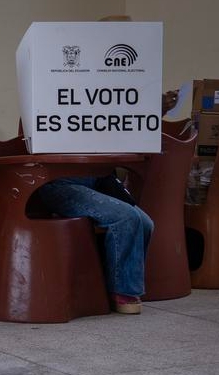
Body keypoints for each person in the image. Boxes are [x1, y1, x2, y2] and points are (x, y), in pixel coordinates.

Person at [34, 91, 178, 315]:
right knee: (126, 217)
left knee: (146, 222)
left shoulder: (99, 104)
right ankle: (122, 290)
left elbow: (124, 129)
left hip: (96, 178)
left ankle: (114, 281)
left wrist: (154, 111)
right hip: (59, 181)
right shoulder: (49, 102)